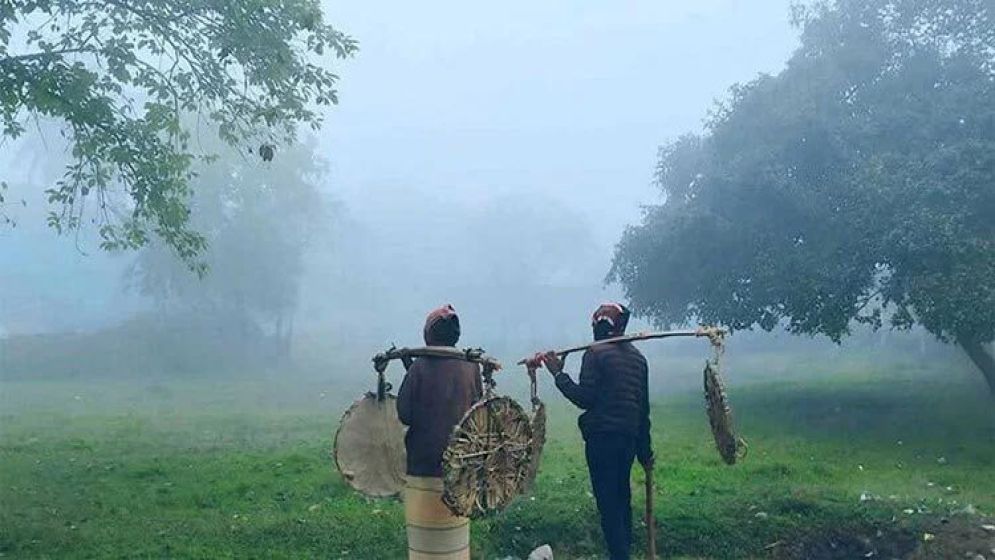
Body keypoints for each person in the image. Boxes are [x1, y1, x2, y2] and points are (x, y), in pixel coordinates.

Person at [535, 302, 653, 560]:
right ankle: (623, 553)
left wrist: (558, 374)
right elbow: (643, 411)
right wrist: (645, 452)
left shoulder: (595, 353)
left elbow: (586, 399)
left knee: (609, 503)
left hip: (603, 440)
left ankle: (620, 556)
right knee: (621, 498)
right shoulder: (637, 358)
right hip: (628, 440)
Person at [397, 304, 482, 560]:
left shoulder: (419, 368)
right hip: (461, 467)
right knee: (453, 544)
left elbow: (405, 413)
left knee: (426, 545)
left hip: (424, 467)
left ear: (429, 335)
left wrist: (410, 371)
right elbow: (478, 408)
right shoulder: (471, 367)